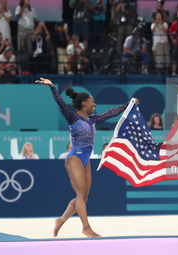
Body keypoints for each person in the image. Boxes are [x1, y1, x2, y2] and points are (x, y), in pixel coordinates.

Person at [35, 77, 139, 238]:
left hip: (85, 159)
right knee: (80, 194)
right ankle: (86, 227)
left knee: (83, 197)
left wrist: (128, 104)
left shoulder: (93, 119)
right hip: (74, 157)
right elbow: (61, 104)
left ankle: (60, 221)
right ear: (84, 103)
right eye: (92, 101)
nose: (95, 104)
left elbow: (111, 113)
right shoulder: (72, 117)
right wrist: (52, 88)